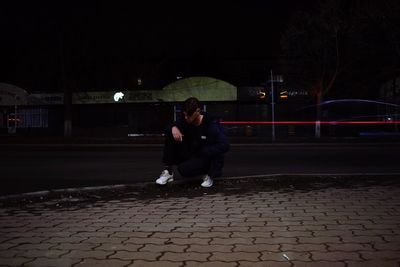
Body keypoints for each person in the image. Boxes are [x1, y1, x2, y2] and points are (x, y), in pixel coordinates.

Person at [156, 97, 230, 187]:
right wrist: (173, 128)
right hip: (193, 153)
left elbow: (224, 145)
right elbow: (171, 125)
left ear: (197, 111)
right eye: (185, 115)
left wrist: (205, 151)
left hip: (206, 157)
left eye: (188, 115)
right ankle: (168, 172)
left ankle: (209, 174)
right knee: (171, 134)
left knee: (185, 169)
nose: (186, 118)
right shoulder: (186, 120)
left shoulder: (210, 124)